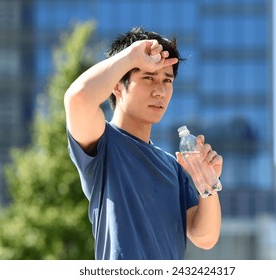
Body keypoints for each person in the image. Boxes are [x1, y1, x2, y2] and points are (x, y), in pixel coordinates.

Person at [64, 27, 222, 260]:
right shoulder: (104, 143)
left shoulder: (173, 166)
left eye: (167, 80)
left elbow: (205, 238)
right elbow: (78, 98)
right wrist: (130, 57)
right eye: (148, 77)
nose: (160, 91)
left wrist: (208, 185)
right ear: (118, 85)